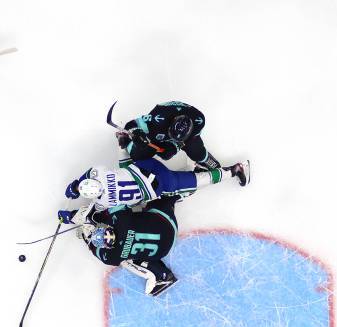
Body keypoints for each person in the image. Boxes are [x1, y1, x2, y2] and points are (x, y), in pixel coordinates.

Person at [58, 195, 181, 296]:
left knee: (127, 261)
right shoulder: (122, 220)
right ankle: (175, 192)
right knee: (157, 197)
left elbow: (92, 247)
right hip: (167, 223)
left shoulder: (111, 256)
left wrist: (85, 234)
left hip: (163, 249)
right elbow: (115, 203)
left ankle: (162, 275)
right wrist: (86, 218)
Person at [63, 156, 250, 211]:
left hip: (160, 185)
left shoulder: (102, 203)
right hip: (147, 165)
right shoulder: (99, 173)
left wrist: (70, 214)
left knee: (193, 185)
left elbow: (91, 213)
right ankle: (123, 141)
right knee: (125, 167)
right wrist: (76, 185)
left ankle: (236, 169)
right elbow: (89, 173)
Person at [116, 101, 221, 170]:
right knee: (140, 152)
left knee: (196, 151)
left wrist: (176, 146)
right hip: (161, 131)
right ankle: (127, 142)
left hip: (186, 138)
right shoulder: (157, 118)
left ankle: (205, 160)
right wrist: (137, 133)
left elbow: (189, 140)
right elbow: (131, 124)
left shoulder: (199, 121)